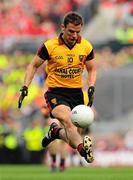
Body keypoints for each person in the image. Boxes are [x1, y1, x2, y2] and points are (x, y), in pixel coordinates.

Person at [18, 11, 97, 163]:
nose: (74, 35)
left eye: (78, 32)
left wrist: (91, 86)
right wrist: (25, 86)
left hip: (77, 93)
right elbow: (33, 65)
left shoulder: (86, 46)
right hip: (56, 93)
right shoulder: (50, 46)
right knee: (68, 121)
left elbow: (92, 68)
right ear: (62, 27)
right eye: (71, 31)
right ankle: (84, 151)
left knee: (73, 133)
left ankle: (55, 133)